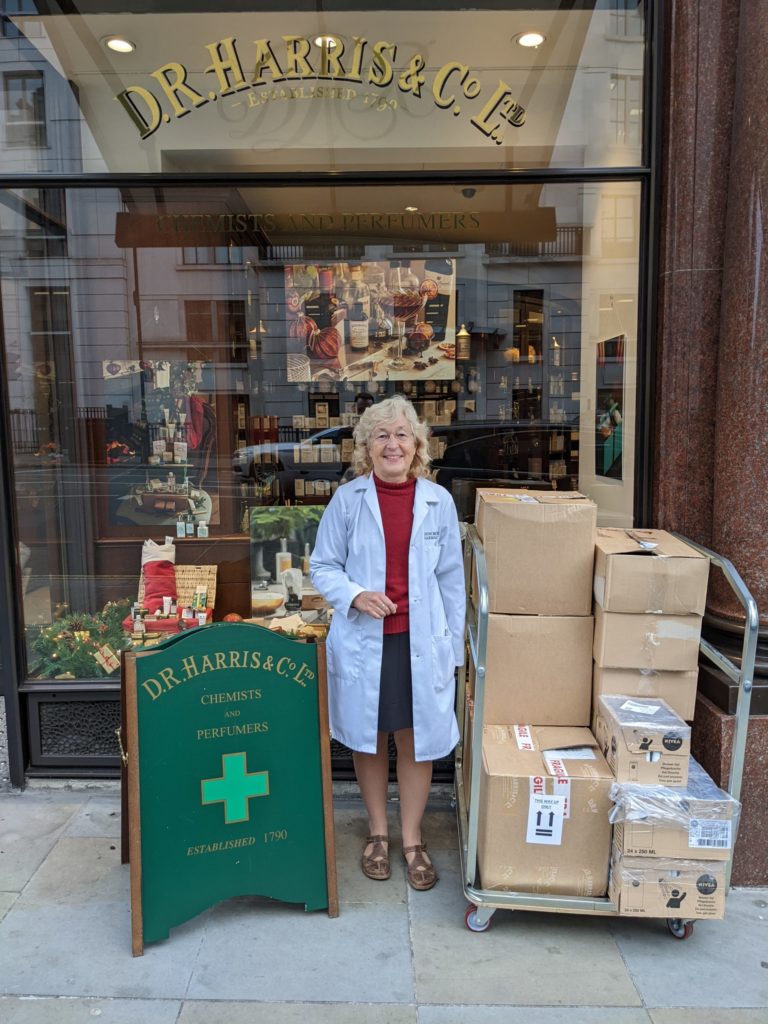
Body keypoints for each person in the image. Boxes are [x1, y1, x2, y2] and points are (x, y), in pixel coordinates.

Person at [310, 394, 465, 890]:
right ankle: (378, 833)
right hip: (365, 642)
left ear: (417, 443)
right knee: (370, 739)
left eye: (401, 434)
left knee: (417, 742)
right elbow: (323, 566)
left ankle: (413, 839)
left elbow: (451, 581)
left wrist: (452, 647)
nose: (392, 444)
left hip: (419, 643)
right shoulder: (348, 499)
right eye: (381, 435)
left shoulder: (438, 502)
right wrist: (355, 595)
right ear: (366, 447)